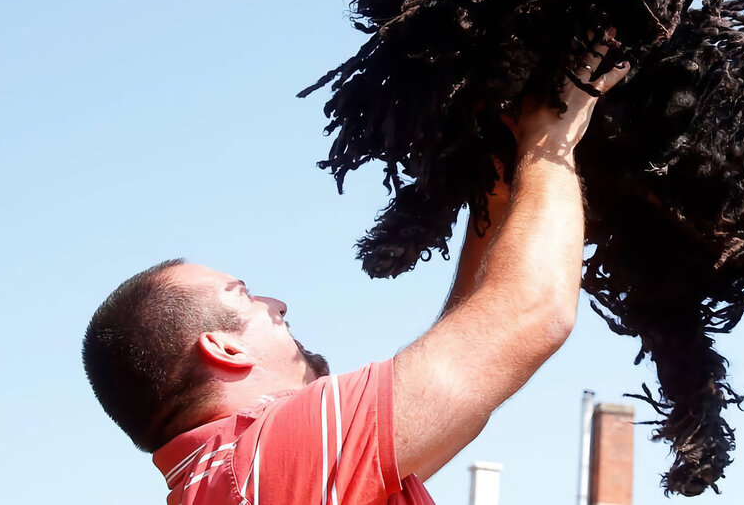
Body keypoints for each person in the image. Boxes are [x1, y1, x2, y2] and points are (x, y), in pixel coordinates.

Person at [83, 50, 629, 505]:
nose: (278, 304)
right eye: (243, 294)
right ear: (224, 348)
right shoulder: (264, 461)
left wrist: (494, 200)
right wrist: (551, 137)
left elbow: (470, 381)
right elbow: (531, 313)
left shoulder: (234, 482)